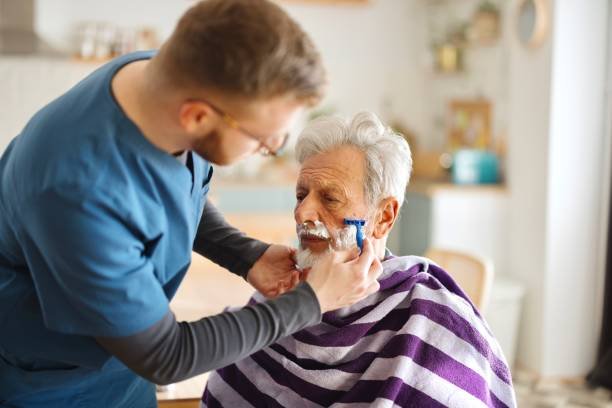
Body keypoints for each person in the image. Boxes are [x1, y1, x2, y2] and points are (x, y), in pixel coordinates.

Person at [0, 1, 383, 406]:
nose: (270, 148)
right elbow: (167, 355)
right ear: (197, 117)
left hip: (123, 356)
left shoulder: (161, 83)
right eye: (263, 140)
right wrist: (311, 301)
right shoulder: (75, 193)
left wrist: (246, 255)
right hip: (52, 381)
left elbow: (177, 192)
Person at [202, 112, 517, 408]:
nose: (302, 213)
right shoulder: (278, 300)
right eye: (301, 195)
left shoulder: (432, 318)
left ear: (384, 216)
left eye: (330, 198)